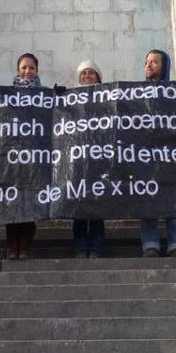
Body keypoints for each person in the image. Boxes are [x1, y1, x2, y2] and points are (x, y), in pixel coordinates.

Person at [140, 49, 176, 257]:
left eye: (155, 62)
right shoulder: (135, 93)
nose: (149, 65)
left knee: (173, 197)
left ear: (164, 66)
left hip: (171, 155)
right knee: (146, 198)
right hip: (144, 156)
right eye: (147, 62)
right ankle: (150, 243)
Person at [5, 53, 40, 260]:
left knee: (30, 204)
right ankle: (12, 247)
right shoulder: (7, 94)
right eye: (24, 68)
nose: (28, 72)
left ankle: (25, 247)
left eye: (31, 68)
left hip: (35, 159)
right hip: (11, 159)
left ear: (37, 70)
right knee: (11, 204)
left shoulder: (45, 95)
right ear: (18, 69)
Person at [72, 60, 106, 258]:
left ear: (98, 77)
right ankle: (79, 246)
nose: (87, 77)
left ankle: (96, 246)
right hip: (76, 160)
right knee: (77, 206)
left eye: (91, 73)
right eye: (83, 73)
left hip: (98, 160)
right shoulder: (70, 99)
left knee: (96, 206)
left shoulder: (106, 100)